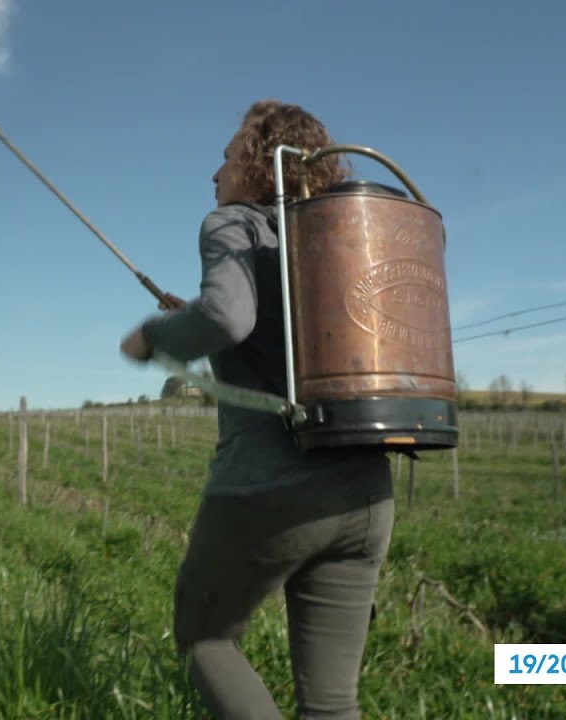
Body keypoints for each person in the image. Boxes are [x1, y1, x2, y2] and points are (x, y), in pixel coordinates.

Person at [120, 99, 395, 720]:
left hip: (271, 489)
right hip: (367, 493)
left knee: (206, 638)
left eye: (225, 156)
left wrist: (153, 336)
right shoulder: (331, 236)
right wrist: (187, 312)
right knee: (331, 704)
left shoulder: (233, 224)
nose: (214, 173)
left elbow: (226, 316)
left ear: (256, 162)